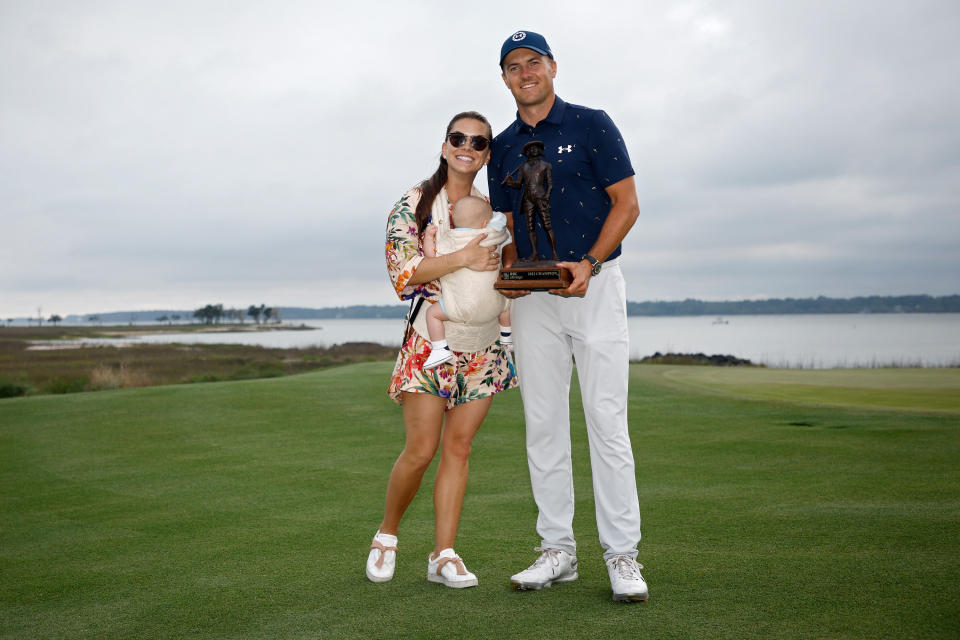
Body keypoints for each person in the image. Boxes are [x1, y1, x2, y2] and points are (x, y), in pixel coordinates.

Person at [487, 30, 649, 602]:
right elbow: (508, 229)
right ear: (504, 78)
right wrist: (508, 278)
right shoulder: (503, 144)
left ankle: (622, 556)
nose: (525, 72)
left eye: (534, 62)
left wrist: (590, 263)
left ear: (552, 67)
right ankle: (558, 550)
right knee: (544, 422)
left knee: (606, 421)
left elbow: (627, 204)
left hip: (595, 286)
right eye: (514, 66)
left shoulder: (592, 123)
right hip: (534, 300)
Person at [369, 111, 518, 589]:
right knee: (421, 448)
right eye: (458, 138)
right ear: (444, 144)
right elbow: (404, 274)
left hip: (482, 347)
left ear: (487, 153)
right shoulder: (412, 205)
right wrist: (464, 257)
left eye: (478, 142)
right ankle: (386, 536)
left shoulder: (491, 211)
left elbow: (504, 270)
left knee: (459, 447)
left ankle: (443, 555)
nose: (467, 147)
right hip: (428, 345)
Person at [422, 195, 513, 370]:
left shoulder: (452, 238)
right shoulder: (494, 234)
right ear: (485, 222)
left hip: (461, 308)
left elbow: (431, 257)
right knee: (507, 302)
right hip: (496, 306)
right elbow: (501, 220)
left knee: (432, 314)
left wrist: (428, 237)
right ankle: (507, 337)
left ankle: (440, 348)